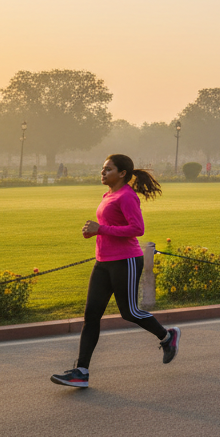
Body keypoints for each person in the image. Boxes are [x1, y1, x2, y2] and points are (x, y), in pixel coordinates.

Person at [51, 155, 179, 389]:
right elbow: (110, 228)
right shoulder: (108, 195)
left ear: (121, 173)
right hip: (103, 262)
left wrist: (101, 228)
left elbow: (137, 228)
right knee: (91, 316)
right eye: (102, 168)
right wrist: (95, 232)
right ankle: (81, 372)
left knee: (129, 312)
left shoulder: (127, 196)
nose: (102, 172)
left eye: (108, 169)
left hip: (126, 261)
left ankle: (167, 337)